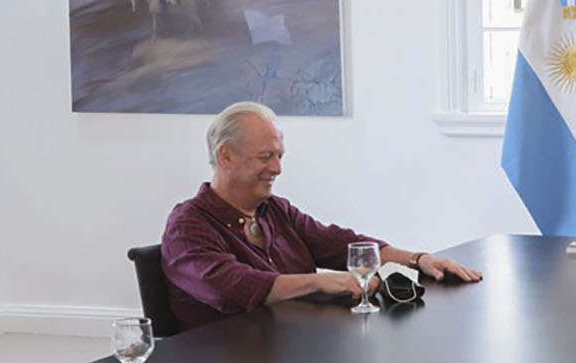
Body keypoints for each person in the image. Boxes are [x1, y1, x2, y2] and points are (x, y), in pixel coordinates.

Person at [161, 102, 483, 329]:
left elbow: (341, 245)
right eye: (266, 157)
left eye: (279, 156)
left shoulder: (275, 210)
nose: (277, 168)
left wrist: (417, 259)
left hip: (287, 356)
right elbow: (232, 288)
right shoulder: (188, 226)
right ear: (226, 155)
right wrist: (323, 282)